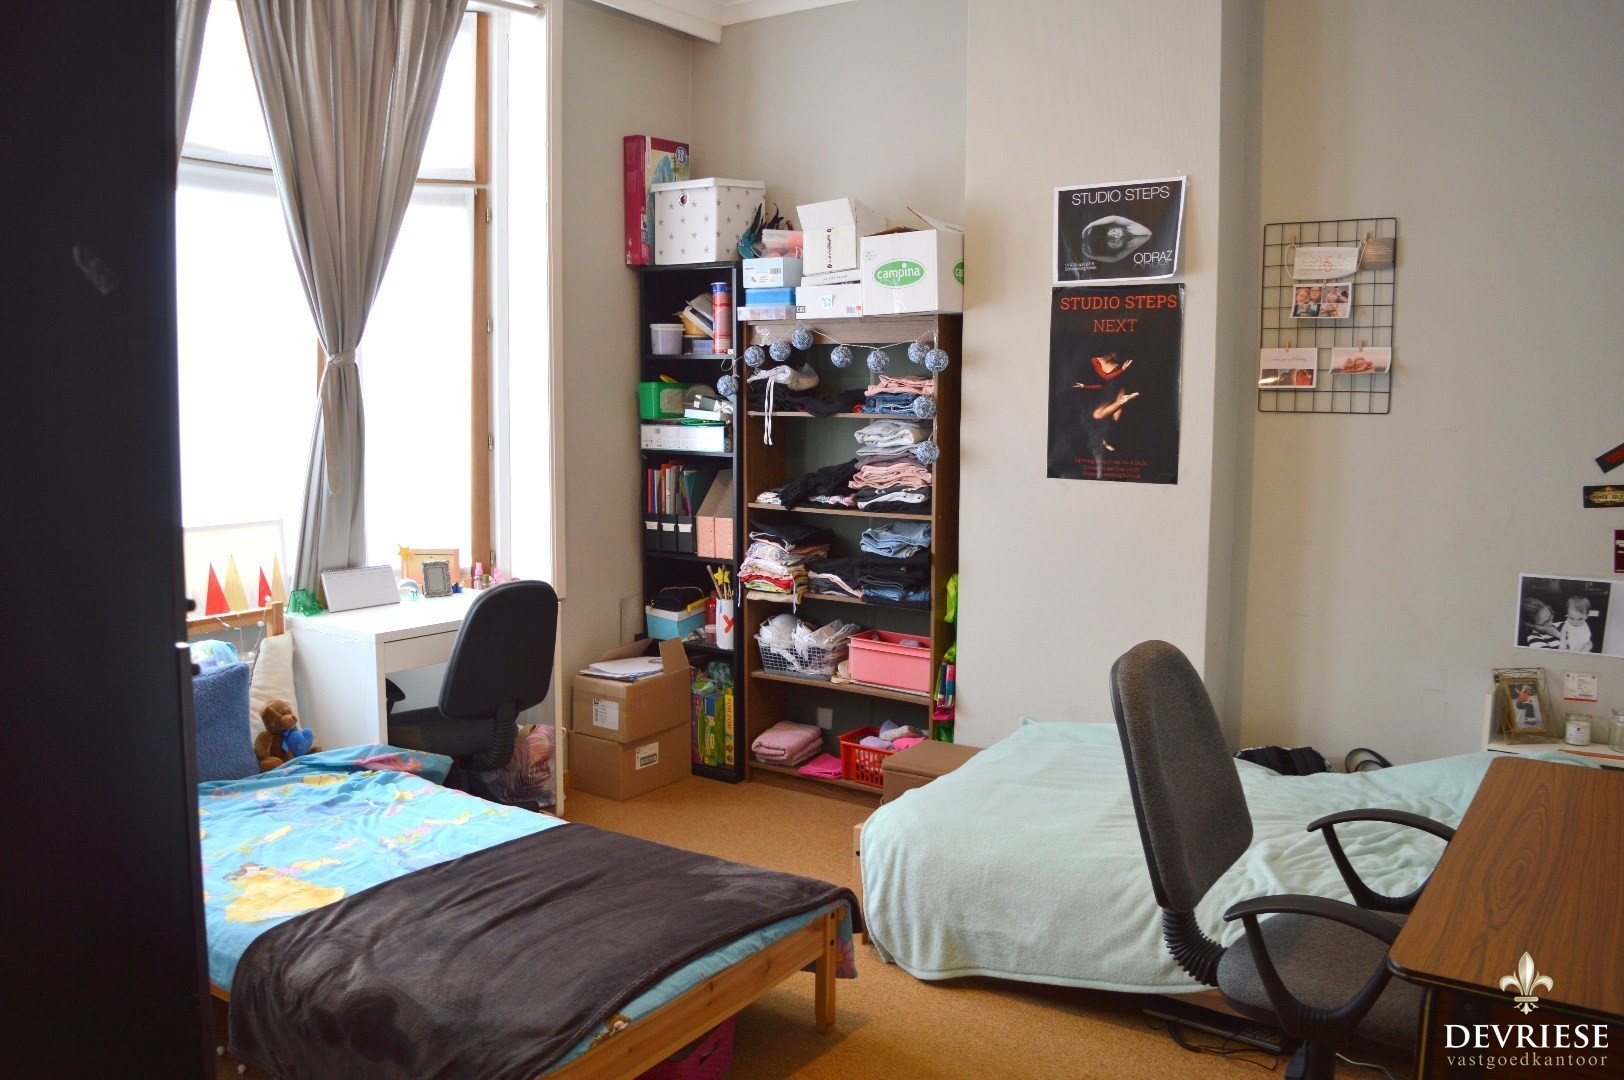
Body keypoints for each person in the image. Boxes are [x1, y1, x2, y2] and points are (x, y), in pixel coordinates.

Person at [1071, 353, 1139, 478]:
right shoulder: (1095, 361)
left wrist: (1122, 373)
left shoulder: (1119, 365)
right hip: (1104, 394)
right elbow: (1103, 380)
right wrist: (1085, 386)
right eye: (1113, 353)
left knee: (1114, 418)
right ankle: (1123, 401)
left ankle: (1123, 401)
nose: (1115, 356)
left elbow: (1114, 382)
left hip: (1115, 392)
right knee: (1100, 416)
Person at [1079, 215, 1152, 264]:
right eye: (1113, 236)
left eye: (1113, 231)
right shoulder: (1130, 245)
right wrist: (1091, 257)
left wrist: (1091, 225)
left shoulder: (1131, 226)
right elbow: (1114, 259)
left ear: (1117, 226)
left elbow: (1114, 218)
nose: (1115, 234)